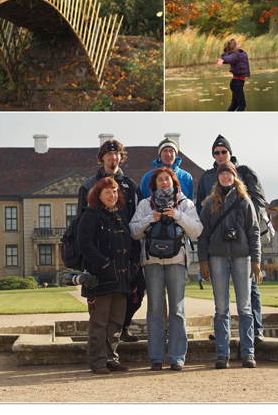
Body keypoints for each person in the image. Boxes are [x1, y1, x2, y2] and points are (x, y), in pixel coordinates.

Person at [195, 135, 273, 343]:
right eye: (216, 152)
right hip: (218, 243)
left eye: (223, 152)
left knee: (250, 291)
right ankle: (222, 332)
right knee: (221, 297)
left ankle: (256, 329)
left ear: (230, 153)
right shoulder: (206, 176)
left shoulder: (245, 171)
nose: (220, 155)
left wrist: (246, 225)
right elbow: (200, 205)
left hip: (242, 241)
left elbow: (256, 200)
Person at [129, 168, 202, 371]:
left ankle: (177, 357)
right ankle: (156, 357)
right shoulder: (145, 204)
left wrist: (177, 215)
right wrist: (150, 218)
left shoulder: (185, 203)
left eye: (167, 179)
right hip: (151, 262)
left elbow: (197, 229)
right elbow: (133, 231)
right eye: (159, 180)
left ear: (174, 182)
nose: (163, 182)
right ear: (154, 184)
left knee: (177, 310)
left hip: (177, 261)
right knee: (154, 310)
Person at [77, 140, 143, 343]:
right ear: (102, 157)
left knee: (136, 292)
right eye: (109, 154)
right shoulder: (89, 184)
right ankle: (101, 347)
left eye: (117, 155)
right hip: (102, 250)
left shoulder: (130, 184)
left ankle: (123, 328)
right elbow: (82, 219)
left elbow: (137, 216)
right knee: (103, 300)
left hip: (126, 249)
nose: (113, 158)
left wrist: (135, 256)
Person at [198, 161, 262, 369]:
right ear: (218, 178)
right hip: (218, 258)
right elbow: (203, 235)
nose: (226, 177)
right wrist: (203, 261)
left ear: (235, 177)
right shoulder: (209, 204)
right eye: (222, 174)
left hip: (242, 258)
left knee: (245, 308)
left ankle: (248, 353)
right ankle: (222, 354)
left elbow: (254, 233)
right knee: (221, 309)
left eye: (229, 174)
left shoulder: (244, 201)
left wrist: (256, 261)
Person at [77, 177, 134, 374]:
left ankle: (111, 358)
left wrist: (132, 267)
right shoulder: (90, 215)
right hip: (100, 278)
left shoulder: (119, 214)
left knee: (116, 321)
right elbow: (84, 244)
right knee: (99, 321)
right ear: (98, 195)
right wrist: (104, 263)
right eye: (108, 192)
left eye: (115, 191)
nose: (112, 195)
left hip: (121, 278)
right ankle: (97, 361)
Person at [215, 38, 250, 112]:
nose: (240, 44)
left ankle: (228, 120)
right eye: (238, 44)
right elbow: (229, 58)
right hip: (236, 83)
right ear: (233, 48)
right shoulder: (235, 55)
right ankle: (236, 121)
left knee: (234, 104)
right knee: (242, 104)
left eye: (239, 43)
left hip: (238, 83)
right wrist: (223, 60)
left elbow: (230, 56)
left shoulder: (239, 53)